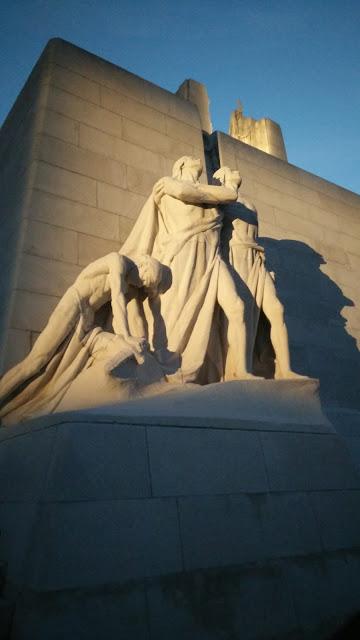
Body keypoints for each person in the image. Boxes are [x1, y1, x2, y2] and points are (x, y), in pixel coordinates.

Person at [120, 156, 254, 383]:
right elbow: (189, 192)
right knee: (174, 315)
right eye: (190, 158)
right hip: (183, 254)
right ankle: (169, 368)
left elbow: (220, 196)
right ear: (180, 166)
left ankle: (241, 372)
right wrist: (228, 188)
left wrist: (228, 189)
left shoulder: (207, 194)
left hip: (213, 259)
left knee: (237, 306)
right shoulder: (167, 185)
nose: (196, 158)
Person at [0, 253, 170, 422]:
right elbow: (116, 299)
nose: (141, 286)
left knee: (114, 352)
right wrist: (126, 336)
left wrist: (143, 343)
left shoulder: (132, 285)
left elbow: (138, 316)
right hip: (74, 306)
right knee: (36, 362)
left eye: (145, 285)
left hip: (88, 322)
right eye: (143, 281)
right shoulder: (118, 262)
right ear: (141, 267)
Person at [214, 166, 307, 379]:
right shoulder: (223, 198)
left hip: (256, 259)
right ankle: (241, 370)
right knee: (242, 313)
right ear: (223, 176)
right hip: (235, 257)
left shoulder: (250, 204)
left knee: (277, 309)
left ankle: (286, 370)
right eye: (231, 170)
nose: (237, 171)